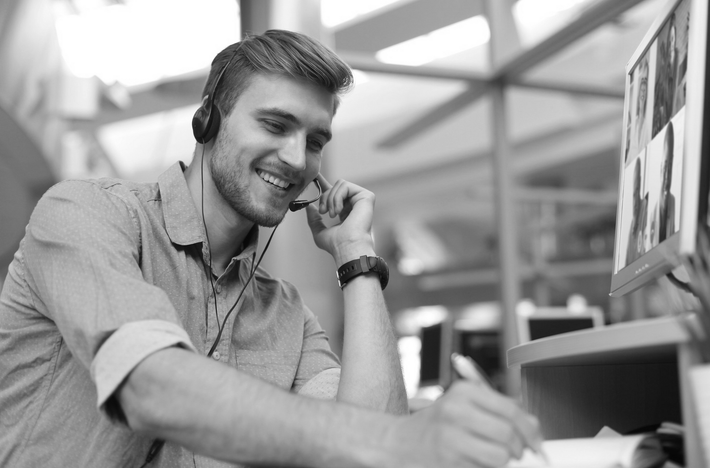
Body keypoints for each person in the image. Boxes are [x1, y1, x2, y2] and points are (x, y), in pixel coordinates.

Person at [0, 30, 542, 467]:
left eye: (315, 140)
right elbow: (149, 387)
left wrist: (356, 258)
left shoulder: (286, 313)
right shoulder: (83, 214)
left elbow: (369, 446)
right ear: (208, 118)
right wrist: (406, 443)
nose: (296, 156)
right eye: (275, 124)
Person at [658, 122, 676, 243]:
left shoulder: (673, 201)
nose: (667, 174)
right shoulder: (652, 212)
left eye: (670, 166)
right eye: (665, 167)